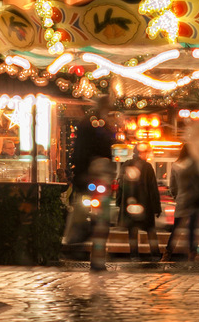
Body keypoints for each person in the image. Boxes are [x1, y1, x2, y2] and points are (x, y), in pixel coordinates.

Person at [67, 95, 116, 271]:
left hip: (87, 178)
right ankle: (96, 259)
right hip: (96, 178)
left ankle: (84, 247)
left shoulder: (88, 123)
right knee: (100, 222)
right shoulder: (99, 126)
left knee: (88, 216)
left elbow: (78, 152)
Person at [160, 142, 199, 262]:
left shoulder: (175, 165)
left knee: (176, 229)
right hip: (195, 201)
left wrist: (177, 196)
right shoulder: (197, 164)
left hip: (182, 200)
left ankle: (167, 254)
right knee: (193, 229)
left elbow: (172, 187)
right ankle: (192, 255)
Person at [116, 142, 161, 262]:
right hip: (145, 204)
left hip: (129, 204)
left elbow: (120, 184)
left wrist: (119, 201)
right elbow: (153, 189)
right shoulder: (147, 167)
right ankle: (155, 255)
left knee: (132, 231)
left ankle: (134, 256)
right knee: (150, 230)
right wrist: (157, 207)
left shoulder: (125, 165)